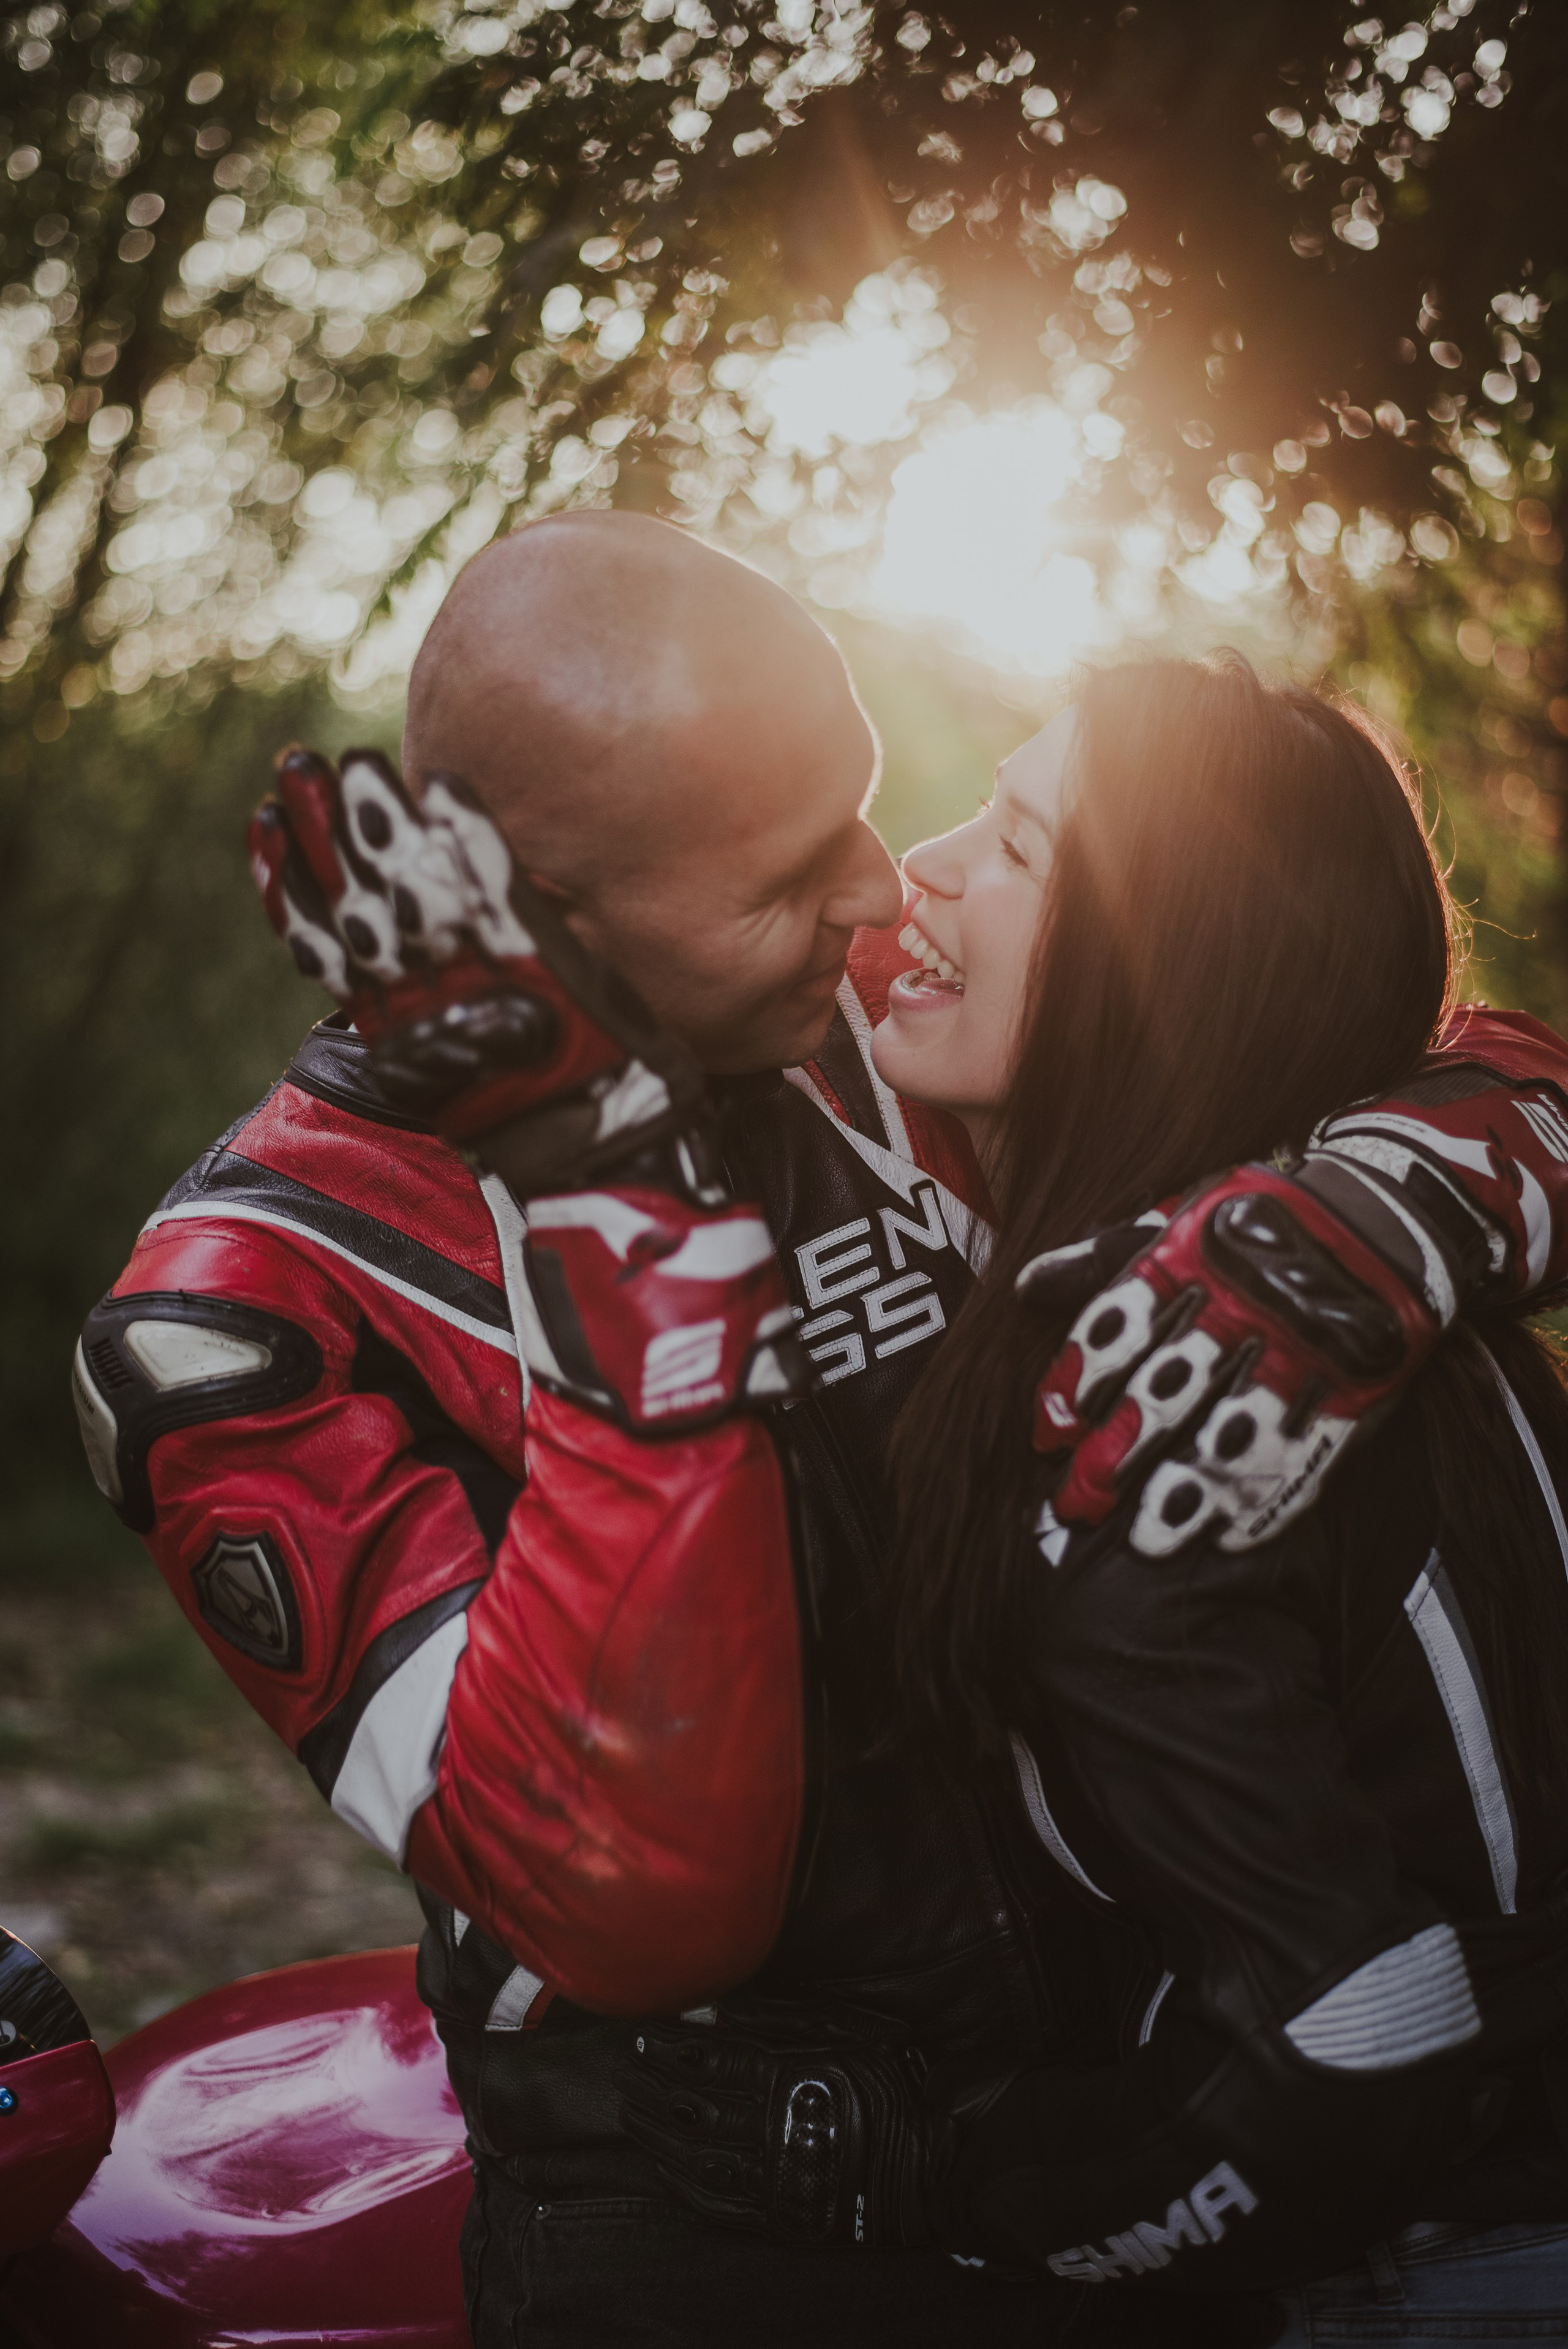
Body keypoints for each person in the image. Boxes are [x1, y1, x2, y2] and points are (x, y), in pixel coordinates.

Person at [75, 524, 1568, 2345]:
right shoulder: (233, 1317)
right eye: (795, 870)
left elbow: (1299, 992)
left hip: (1119, 2113)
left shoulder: (841, 1009)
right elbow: (628, 1911)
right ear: (543, 909)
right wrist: (616, 1253)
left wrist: (1402, 1191)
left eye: (867, 809)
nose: (878, 888)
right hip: (713, 2221)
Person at [869, 655, 1568, 2331]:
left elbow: (1354, 2045)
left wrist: (983, 2204)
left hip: (1422, 2271)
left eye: (1023, 844)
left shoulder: (1171, 1390)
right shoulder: (1362, 1268)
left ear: (1172, 965)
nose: (929, 861)